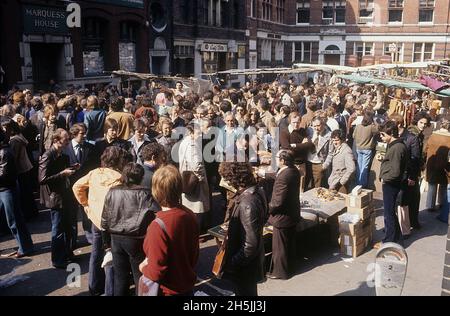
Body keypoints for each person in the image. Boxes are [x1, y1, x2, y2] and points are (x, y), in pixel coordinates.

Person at [73, 146, 131, 296]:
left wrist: (85, 204)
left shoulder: (94, 173)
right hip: (112, 224)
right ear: (118, 161)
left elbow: (77, 186)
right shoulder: (119, 178)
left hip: (96, 220)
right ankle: (110, 291)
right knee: (111, 258)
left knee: (96, 254)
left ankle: (94, 287)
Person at [139, 165, 199, 296]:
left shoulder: (157, 226)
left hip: (167, 290)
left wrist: (143, 267)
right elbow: (194, 254)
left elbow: (155, 272)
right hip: (187, 285)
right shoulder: (190, 214)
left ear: (155, 190)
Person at [101, 163, 158, 296]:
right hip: (136, 240)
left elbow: (104, 219)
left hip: (116, 239)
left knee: (120, 278)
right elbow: (156, 214)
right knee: (139, 276)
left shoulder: (112, 191)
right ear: (141, 177)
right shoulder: (144, 193)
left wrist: (106, 244)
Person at [218, 162, 267, 296]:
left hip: (245, 268)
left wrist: (232, 263)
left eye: (227, 179)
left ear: (234, 179)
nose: (226, 183)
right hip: (249, 265)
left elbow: (250, 245)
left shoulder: (248, 203)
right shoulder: (256, 191)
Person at [39, 128, 75, 268]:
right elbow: (42, 179)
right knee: (58, 229)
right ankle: (57, 260)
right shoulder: (48, 155)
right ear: (56, 140)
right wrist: (62, 174)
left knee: (66, 227)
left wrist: (71, 169)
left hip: (63, 195)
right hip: (55, 198)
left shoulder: (62, 154)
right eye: (65, 139)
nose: (68, 142)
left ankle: (66, 254)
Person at [266, 150, 300, 280]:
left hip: (282, 217)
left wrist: (267, 210)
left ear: (283, 161)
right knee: (289, 244)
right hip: (292, 214)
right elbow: (278, 175)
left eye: (277, 158)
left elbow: (277, 202)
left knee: (279, 247)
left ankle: (280, 272)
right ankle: (290, 267)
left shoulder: (283, 176)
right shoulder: (293, 171)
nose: (275, 159)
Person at [0, 128, 34, 258]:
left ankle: (25, 247)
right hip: (4, 189)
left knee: (14, 220)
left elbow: (5, 175)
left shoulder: (5, 152)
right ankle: (25, 246)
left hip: (7, 190)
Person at [63, 123, 95, 246]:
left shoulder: (90, 148)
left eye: (85, 133)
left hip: (86, 187)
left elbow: (94, 165)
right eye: (82, 133)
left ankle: (89, 235)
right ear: (74, 133)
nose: (85, 135)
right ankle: (73, 239)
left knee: (86, 212)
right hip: (70, 187)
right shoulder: (66, 148)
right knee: (71, 214)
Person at [1, 118, 38, 220]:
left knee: (25, 193)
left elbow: (14, 157)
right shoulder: (18, 136)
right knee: (27, 192)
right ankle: (31, 212)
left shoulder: (15, 140)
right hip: (24, 167)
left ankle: (29, 214)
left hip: (21, 169)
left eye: (5, 128)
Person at [379, 120, 408, 246]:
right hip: (392, 183)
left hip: (391, 184)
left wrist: (385, 178)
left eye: (383, 135)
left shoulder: (397, 147)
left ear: (390, 134)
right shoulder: (395, 145)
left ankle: (389, 241)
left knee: (389, 214)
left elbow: (395, 171)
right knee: (390, 213)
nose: (381, 137)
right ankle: (397, 239)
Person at [178, 124, 210, 232]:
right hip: (194, 180)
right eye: (198, 133)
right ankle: (196, 232)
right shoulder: (192, 145)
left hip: (187, 178)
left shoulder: (185, 142)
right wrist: (201, 177)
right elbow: (196, 164)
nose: (200, 135)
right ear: (191, 133)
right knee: (197, 209)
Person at [425, 117, 450, 222]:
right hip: (444, 165)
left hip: (432, 163)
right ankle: (441, 203)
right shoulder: (449, 138)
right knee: (443, 184)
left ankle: (430, 205)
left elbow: (426, 148)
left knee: (432, 184)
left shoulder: (433, 135)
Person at [322, 129, 356, 193]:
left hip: (341, 185)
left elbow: (351, 168)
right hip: (333, 181)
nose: (335, 142)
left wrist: (341, 182)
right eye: (333, 140)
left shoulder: (347, 151)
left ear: (342, 140)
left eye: (337, 140)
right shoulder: (336, 148)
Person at [306, 116, 333, 189]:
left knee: (317, 187)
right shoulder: (309, 131)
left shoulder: (329, 135)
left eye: (318, 125)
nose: (316, 128)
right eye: (314, 126)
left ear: (323, 124)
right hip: (308, 162)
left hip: (319, 164)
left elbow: (331, 152)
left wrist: (324, 165)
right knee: (307, 185)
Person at [353, 111, 378, 188]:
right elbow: (378, 131)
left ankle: (358, 182)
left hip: (359, 147)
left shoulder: (358, 126)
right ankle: (362, 184)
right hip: (367, 149)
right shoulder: (371, 127)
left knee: (359, 166)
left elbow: (353, 135)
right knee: (365, 167)